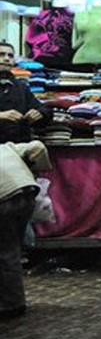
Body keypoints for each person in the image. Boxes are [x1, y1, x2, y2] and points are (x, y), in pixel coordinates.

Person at [0, 140, 50, 319]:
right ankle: (12, 300)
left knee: (5, 251)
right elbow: (38, 147)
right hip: (27, 192)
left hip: (4, 196)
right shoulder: (8, 147)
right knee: (11, 249)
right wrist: (38, 170)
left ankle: (11, 304)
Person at [0, 40, 52, 144]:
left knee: (38, 148)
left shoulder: (20, 87)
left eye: (10, 56)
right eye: (1, 55)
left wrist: (39, 113)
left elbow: (43, 109)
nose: (6, 59)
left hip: (19, 145)